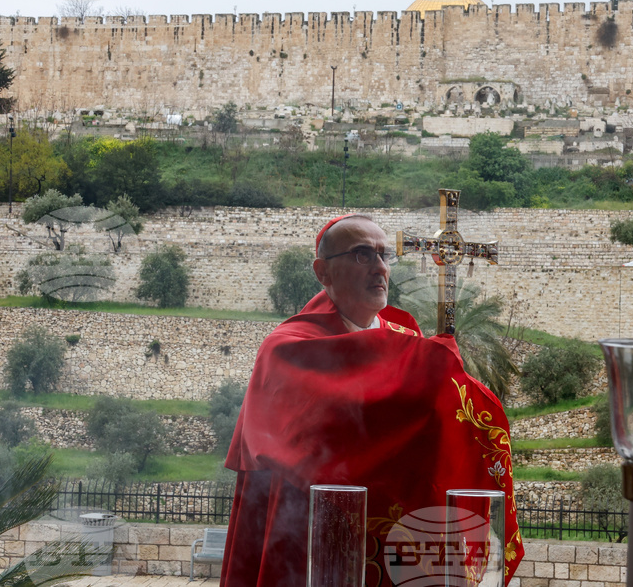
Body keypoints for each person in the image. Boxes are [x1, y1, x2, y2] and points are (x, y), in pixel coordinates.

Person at [220, 214, 522, 587]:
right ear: (323, 272)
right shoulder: (288, 348)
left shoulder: (407, 336)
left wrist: (441, 376)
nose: (380, 268)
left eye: (384, 256)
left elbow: (438, 422)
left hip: (407, 537)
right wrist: (430, 366)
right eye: (362, 255)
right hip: (309, 535)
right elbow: (342, 423)